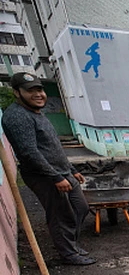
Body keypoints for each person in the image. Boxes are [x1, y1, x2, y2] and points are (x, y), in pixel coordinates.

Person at [2, 72, 94, 265]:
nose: (38, 94)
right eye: (31, 91)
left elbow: (53, 147)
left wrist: (70, 169)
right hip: (44, 176)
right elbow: (29, 152)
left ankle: (71, 244)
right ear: (17, 92)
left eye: (40, 89)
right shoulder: (17, 117)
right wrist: (55, 177)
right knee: (60, 214)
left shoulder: (37, 113)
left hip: (63, 172)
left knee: (80, 208)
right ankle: (68, 254)